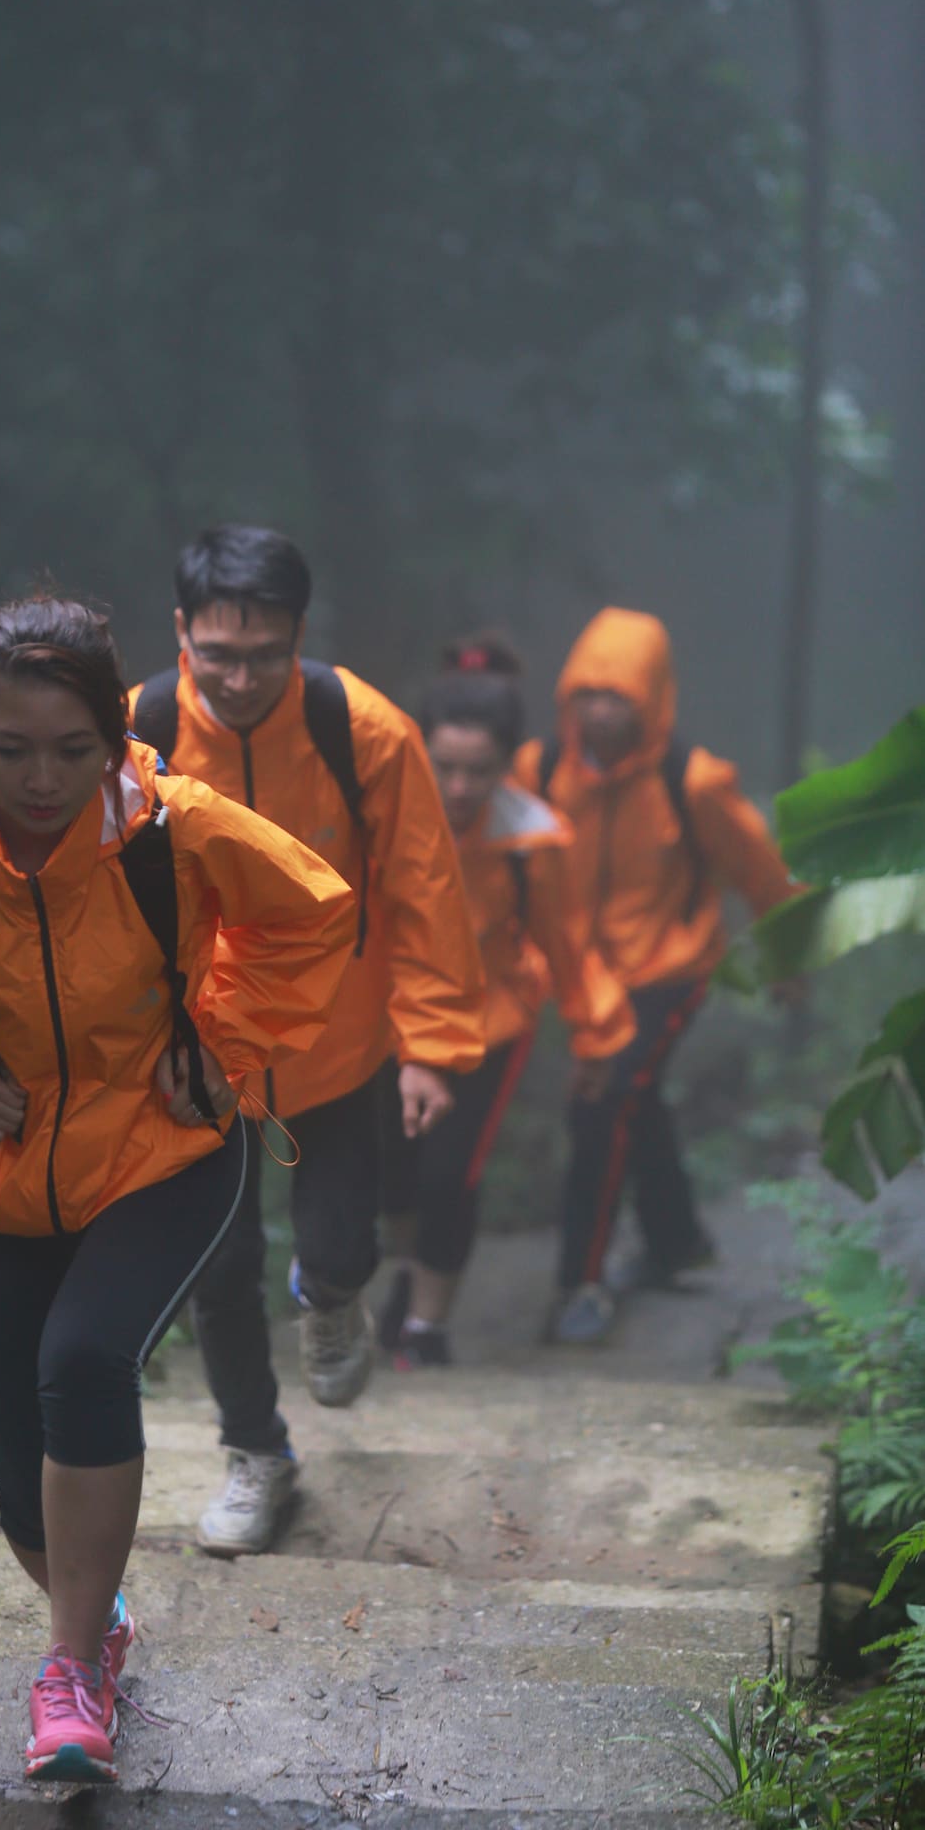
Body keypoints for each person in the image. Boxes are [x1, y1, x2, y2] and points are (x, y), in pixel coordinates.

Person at [0, 597, 355, 1785]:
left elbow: (310, 915)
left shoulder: (170, 831)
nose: (44, 778)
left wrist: (221, 1036)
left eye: (73, 750)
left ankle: (73, 1673)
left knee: (86, 1361)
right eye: (12, 749)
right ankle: (96, 1614)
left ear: (115, 736)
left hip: (165, 1147)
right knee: (21, 1486)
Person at [129, 526, 484, 1557]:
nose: (239, 678)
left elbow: (424, 890)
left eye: (264, 654)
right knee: (219, 1261)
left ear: (298, 639)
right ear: (183, 633)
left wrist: (431, 1045)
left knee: (342, 1246)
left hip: (336, 1043)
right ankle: (257, 1452)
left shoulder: (362, 729)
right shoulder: (135, 733)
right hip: (200, 1057)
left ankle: (331, 1299)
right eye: (218, 653)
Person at [514, 607, 801, 1345]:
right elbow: (503, 868)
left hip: (669, 968)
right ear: (567, 696)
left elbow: (760, 872)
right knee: (635, 1101)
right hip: (584, 977)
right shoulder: (538, 771)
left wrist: (787, 960)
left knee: (604, 1103)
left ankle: (580, 1281)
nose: (601, 713)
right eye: (589, 695)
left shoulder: (692, 782)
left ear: (653, 701)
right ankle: (677, 1241)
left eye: (620, 698)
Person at [377, 636, 635, 1366]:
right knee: (393, 1171)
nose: (459, 788)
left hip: (490, 1022)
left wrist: (596, 1037)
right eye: (445, 768)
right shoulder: (383, 821)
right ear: (418, 752)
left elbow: (568, 944)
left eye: (479, 772)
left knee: (451, 1171)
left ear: (509, 764)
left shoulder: (531, 839)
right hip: (392, 1022)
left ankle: (427, 1328)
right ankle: (407, 1274)